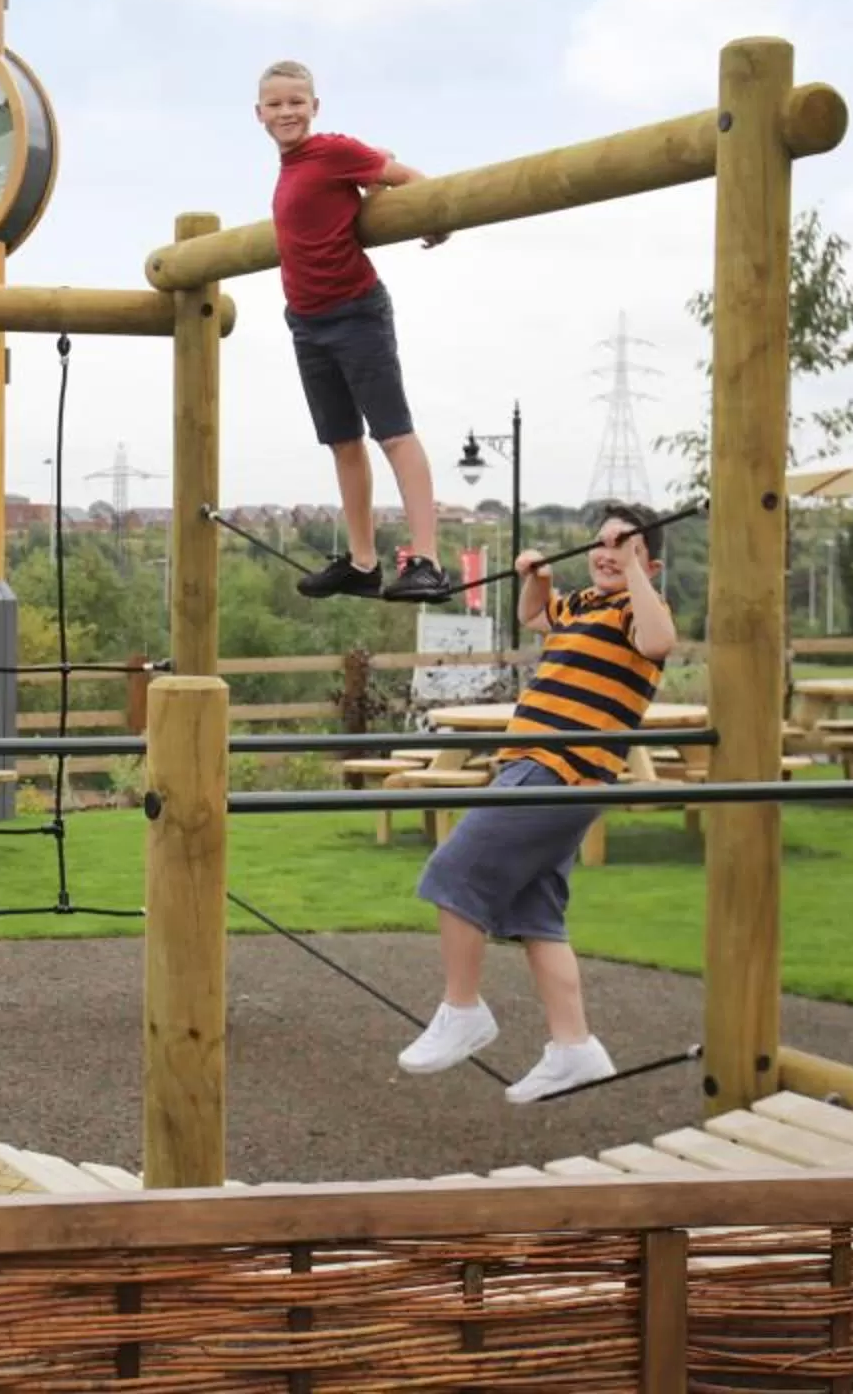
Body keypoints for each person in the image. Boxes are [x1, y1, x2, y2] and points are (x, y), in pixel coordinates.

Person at [399, 506, 677, 1102]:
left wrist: (637, 576)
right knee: (535, 914)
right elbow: (532, 616)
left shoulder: (638, 609)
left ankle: (463, 1009)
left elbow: (659, 641)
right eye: (600, 544)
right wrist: (539, 579)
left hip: (557, 769)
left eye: (623, 546)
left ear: (648, 562)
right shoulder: (581, 604)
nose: (607, 554)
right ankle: (574, 1047)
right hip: (539, 766)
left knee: (452, 873)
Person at [256, 58, 457, 603]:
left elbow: (406, 177)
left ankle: (428, 560)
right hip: (306, 320)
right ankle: (364, 562)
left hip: (354, 311)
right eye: (275, 104)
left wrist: (432, 218)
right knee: (342, 441)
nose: (287, 111)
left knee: (391, 432)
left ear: (314, 107)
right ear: (259, 115)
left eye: (297, 101)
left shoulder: (332, 150)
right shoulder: (292, 166)